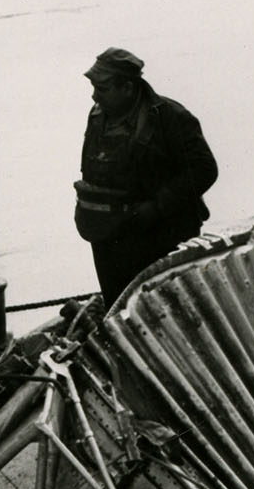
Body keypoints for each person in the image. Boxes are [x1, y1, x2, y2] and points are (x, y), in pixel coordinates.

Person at [73, 47, 219, 300]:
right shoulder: (98, 116)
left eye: (103, 89)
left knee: (162, 306)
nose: (94, 97)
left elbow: (204, 169)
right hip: (110, 235)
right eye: (94, 88)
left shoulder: (171, 118)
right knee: (117, 305)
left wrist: (156, 207)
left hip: (160, 235)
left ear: (128, 87)